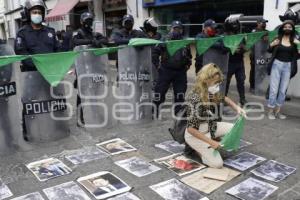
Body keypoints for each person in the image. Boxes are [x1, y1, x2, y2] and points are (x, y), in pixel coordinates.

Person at [14, 0, 60, 140]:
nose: (37, 14)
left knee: (53, 100)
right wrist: (39, 65)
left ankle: (57, 126)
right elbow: (21, 53)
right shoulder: (22, 33)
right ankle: (28, 130)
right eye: (34, 12)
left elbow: (58, 51)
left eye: (40, 12)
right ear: (28, 14)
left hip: (49, 74)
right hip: (31, 73)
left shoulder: (50, 32)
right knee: (29, 102)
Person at [185, 63, 245, 168]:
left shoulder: (210, 91)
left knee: (234, 129)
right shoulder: (195, 98)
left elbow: (223, 98)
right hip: (195, 134)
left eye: (219, 83)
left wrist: (237, 108)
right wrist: (211, 142)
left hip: (210, 127)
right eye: (216, 83)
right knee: (217, 164)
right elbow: (191, 129)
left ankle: (207, 144)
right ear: (206, 81)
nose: (218, 86)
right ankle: (196, 149)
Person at [72, 12, 108, 127]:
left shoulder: (94, 33)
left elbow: (105, 39)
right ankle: (80, 117)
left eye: (90, 20)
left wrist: (99, 41)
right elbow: (75, 42)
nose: (88, 22)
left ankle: (94, 113)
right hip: (83, 68)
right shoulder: (78, 33)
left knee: (95, 92)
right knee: (82, 93)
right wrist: (91, 42)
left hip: (94, 67)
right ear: (82, 22)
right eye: (86, 20)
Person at [152, 20, 192, 116]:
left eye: (179, 29)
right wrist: (158, 66)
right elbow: (155, 53)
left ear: (182, 30)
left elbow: (189, 56)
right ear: (171, 29)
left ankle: (178, 116)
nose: (177, 31)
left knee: (180, 95)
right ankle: (154, 112)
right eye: (175, 28)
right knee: (159, 93)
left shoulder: (185, 42)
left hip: (180, 72)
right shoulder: (164, 40)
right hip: (166, 70)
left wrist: (187, 65)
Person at [267, 20, 300, 120]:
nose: (287, 28)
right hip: (276, 65)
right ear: (282, 28)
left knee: (282, 91)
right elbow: (269, 50)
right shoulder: (278, 39)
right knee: (273, 90)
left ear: (292, 29)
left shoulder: (295, 41)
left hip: (288, 66)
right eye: (285, 27)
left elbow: (297, 56)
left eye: (289, 27)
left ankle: (278, 111)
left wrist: (299, 45)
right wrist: (271, 45)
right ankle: (270, 111)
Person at [224, 17, 248, 106]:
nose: (236, 27)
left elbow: (245, 48)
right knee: (226, 82)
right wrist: (232, 49)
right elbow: (223, 49)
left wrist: (242, 49)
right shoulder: (225, 36)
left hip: (239, 63)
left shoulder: (240, 36)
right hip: (229, 62)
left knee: (241, 81)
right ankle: (223, 98)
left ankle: (242, 99)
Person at [249, 18, 268, 93]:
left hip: (263, 55)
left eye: (265, 23)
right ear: (258, 23)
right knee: (254, 70)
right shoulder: (254, 31)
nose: (264, 24)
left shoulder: (267, 32)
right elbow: (251, 41)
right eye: (262, 22)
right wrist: (262, 38)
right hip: (255, 54)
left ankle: (258, 85)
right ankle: (252, 87)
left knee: (262, 70)